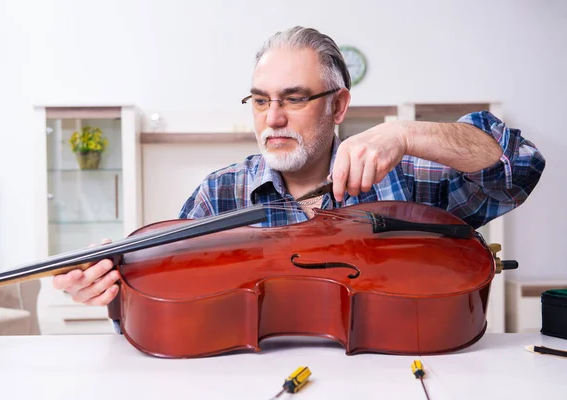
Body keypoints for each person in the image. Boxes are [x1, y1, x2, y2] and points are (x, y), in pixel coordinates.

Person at [52, 26, 545, 308]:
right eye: (261, 100)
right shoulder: (219, 193)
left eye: (294, 99)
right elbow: (172, 300)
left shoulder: (409, 178)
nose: (274, 118)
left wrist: (407, 132)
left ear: (339, 105)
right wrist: (114, 288)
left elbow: (518, 167)